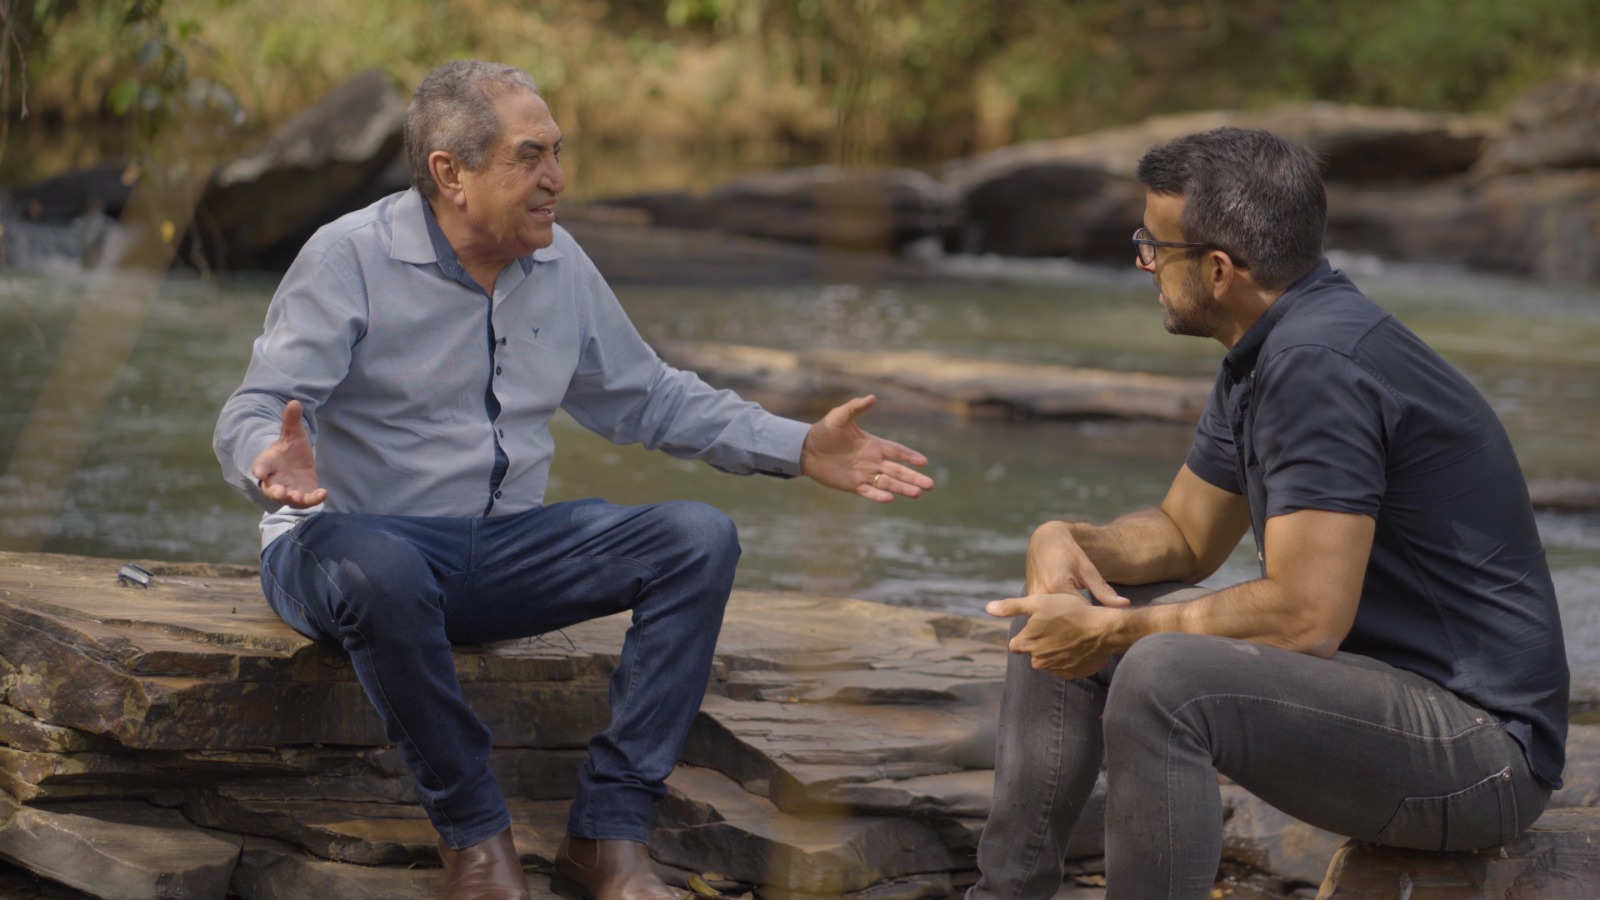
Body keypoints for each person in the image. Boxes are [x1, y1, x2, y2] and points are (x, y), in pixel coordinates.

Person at [214, 60, 935, 900]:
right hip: (347, 551)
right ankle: (479, 843)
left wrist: (798, 444)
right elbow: (255, 406)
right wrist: (271, 454)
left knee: (697, 538)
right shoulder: (348, 257)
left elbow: (650, 398)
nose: (556, 178)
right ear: (451, 172)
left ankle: (609, 837)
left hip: (498, 553)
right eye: (531, 156)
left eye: (558, 152)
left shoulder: (561, 266)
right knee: (384, 567)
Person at [968, 127, 1568, 899]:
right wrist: (1067, 540)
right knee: (1055, 616)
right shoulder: (1269, 345)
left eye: (1154, 246)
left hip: (1482, 753)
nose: (1143, 265)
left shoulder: (1318, 367)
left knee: (1158, 674)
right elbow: (1185, 536)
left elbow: (1305, 615)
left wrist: (1120, 631)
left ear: (1218, 269)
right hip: (1386, 697)